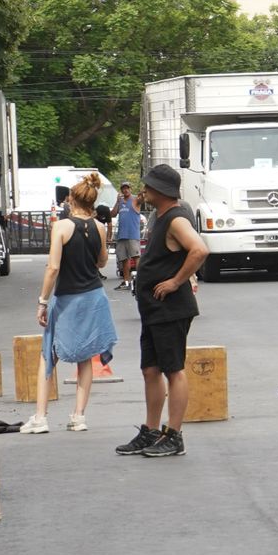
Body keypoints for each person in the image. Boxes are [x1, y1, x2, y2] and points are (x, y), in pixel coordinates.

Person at [115, 164, 208, 458]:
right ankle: (151, 430)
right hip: (154, 309)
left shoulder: (176, 219)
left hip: (170, 308)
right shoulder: (162, 216)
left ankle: (174, 435)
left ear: (162, 191)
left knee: (173, 370)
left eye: (149, 187)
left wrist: (174, 282)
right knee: (151, 369)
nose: (145, 191)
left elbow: (200, 250)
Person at [21, 173, 118, 435]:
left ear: (71, 199)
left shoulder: (61, 227)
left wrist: (42, 301)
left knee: (48, 354)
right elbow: (101, 262)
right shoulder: (99, 227)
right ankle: (79, 416)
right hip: (94, 297)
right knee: (85, 356)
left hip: (67, 298)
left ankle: (40, 417)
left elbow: (53, 267)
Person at [112, 182, 143, 287]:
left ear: (130, 189)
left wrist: (143, 192)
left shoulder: (135, 199)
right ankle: (126, 282)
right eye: (123, 188)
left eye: (127, 188)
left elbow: (141, 199)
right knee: (124, 259)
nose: (125, 190)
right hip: (122, 234)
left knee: (136, 256)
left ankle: (140, 281)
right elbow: (112, 214)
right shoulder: (120, 201)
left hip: (132, 234)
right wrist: (117, 202)